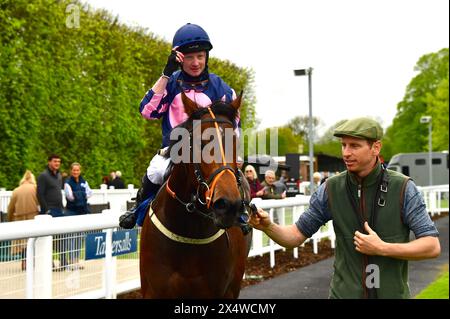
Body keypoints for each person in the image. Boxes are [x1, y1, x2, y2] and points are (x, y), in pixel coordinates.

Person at [248, 117, 441, 299]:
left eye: (354, 146)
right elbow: (295, 236)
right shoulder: (330, 189)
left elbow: (431, 246)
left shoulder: (404, 187)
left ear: (376, 147)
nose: (346, 153)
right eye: (344, 145)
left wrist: (382, 248)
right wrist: (268, 227)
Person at [119, 23, 242, 230]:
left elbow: (234, 120)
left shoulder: (219, 87)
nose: (196, 62)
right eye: (189, 57)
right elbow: (147, 112)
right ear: (179, 58)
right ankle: (140, 208)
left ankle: (241, 212)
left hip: (213, 151)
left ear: (206, 57)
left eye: (200, 56)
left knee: (233, 173)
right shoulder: (171, 83)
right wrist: (166, 74)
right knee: (155, 171)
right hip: (175, 150)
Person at [36, 154, 67, 270]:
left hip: (59, 210)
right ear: (49, 162)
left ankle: (63, 262)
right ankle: (49, 264)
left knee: (62, 237)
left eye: (59, 162)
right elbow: (39, 194)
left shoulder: (59, 176)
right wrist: (46, 210)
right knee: (49, 239)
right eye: (55, 161)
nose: (57, 164)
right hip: (49, 212)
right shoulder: (43, 176)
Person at [7, 170, 39, 270]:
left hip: (19, 219)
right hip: (33, 217)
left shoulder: (16, 190)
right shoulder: (35, 188)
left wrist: (10, 219)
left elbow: (11, 207)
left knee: (22, 243)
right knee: (32, 240)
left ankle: (24, 262)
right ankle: (32, 261)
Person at [64, 162, 93, 270]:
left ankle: (77, 259)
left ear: (80, 171)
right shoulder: (67, 183)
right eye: (74, 170)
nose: (76, 172)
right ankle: (71, 260)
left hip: (83, 212)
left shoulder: (84, 181)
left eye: (78, 170)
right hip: (71, 212)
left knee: (80, 237)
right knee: (71, 237)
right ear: (71, 171)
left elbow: (90, 193)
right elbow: (70, 197)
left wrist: (79, 195)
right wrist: (82, 194)